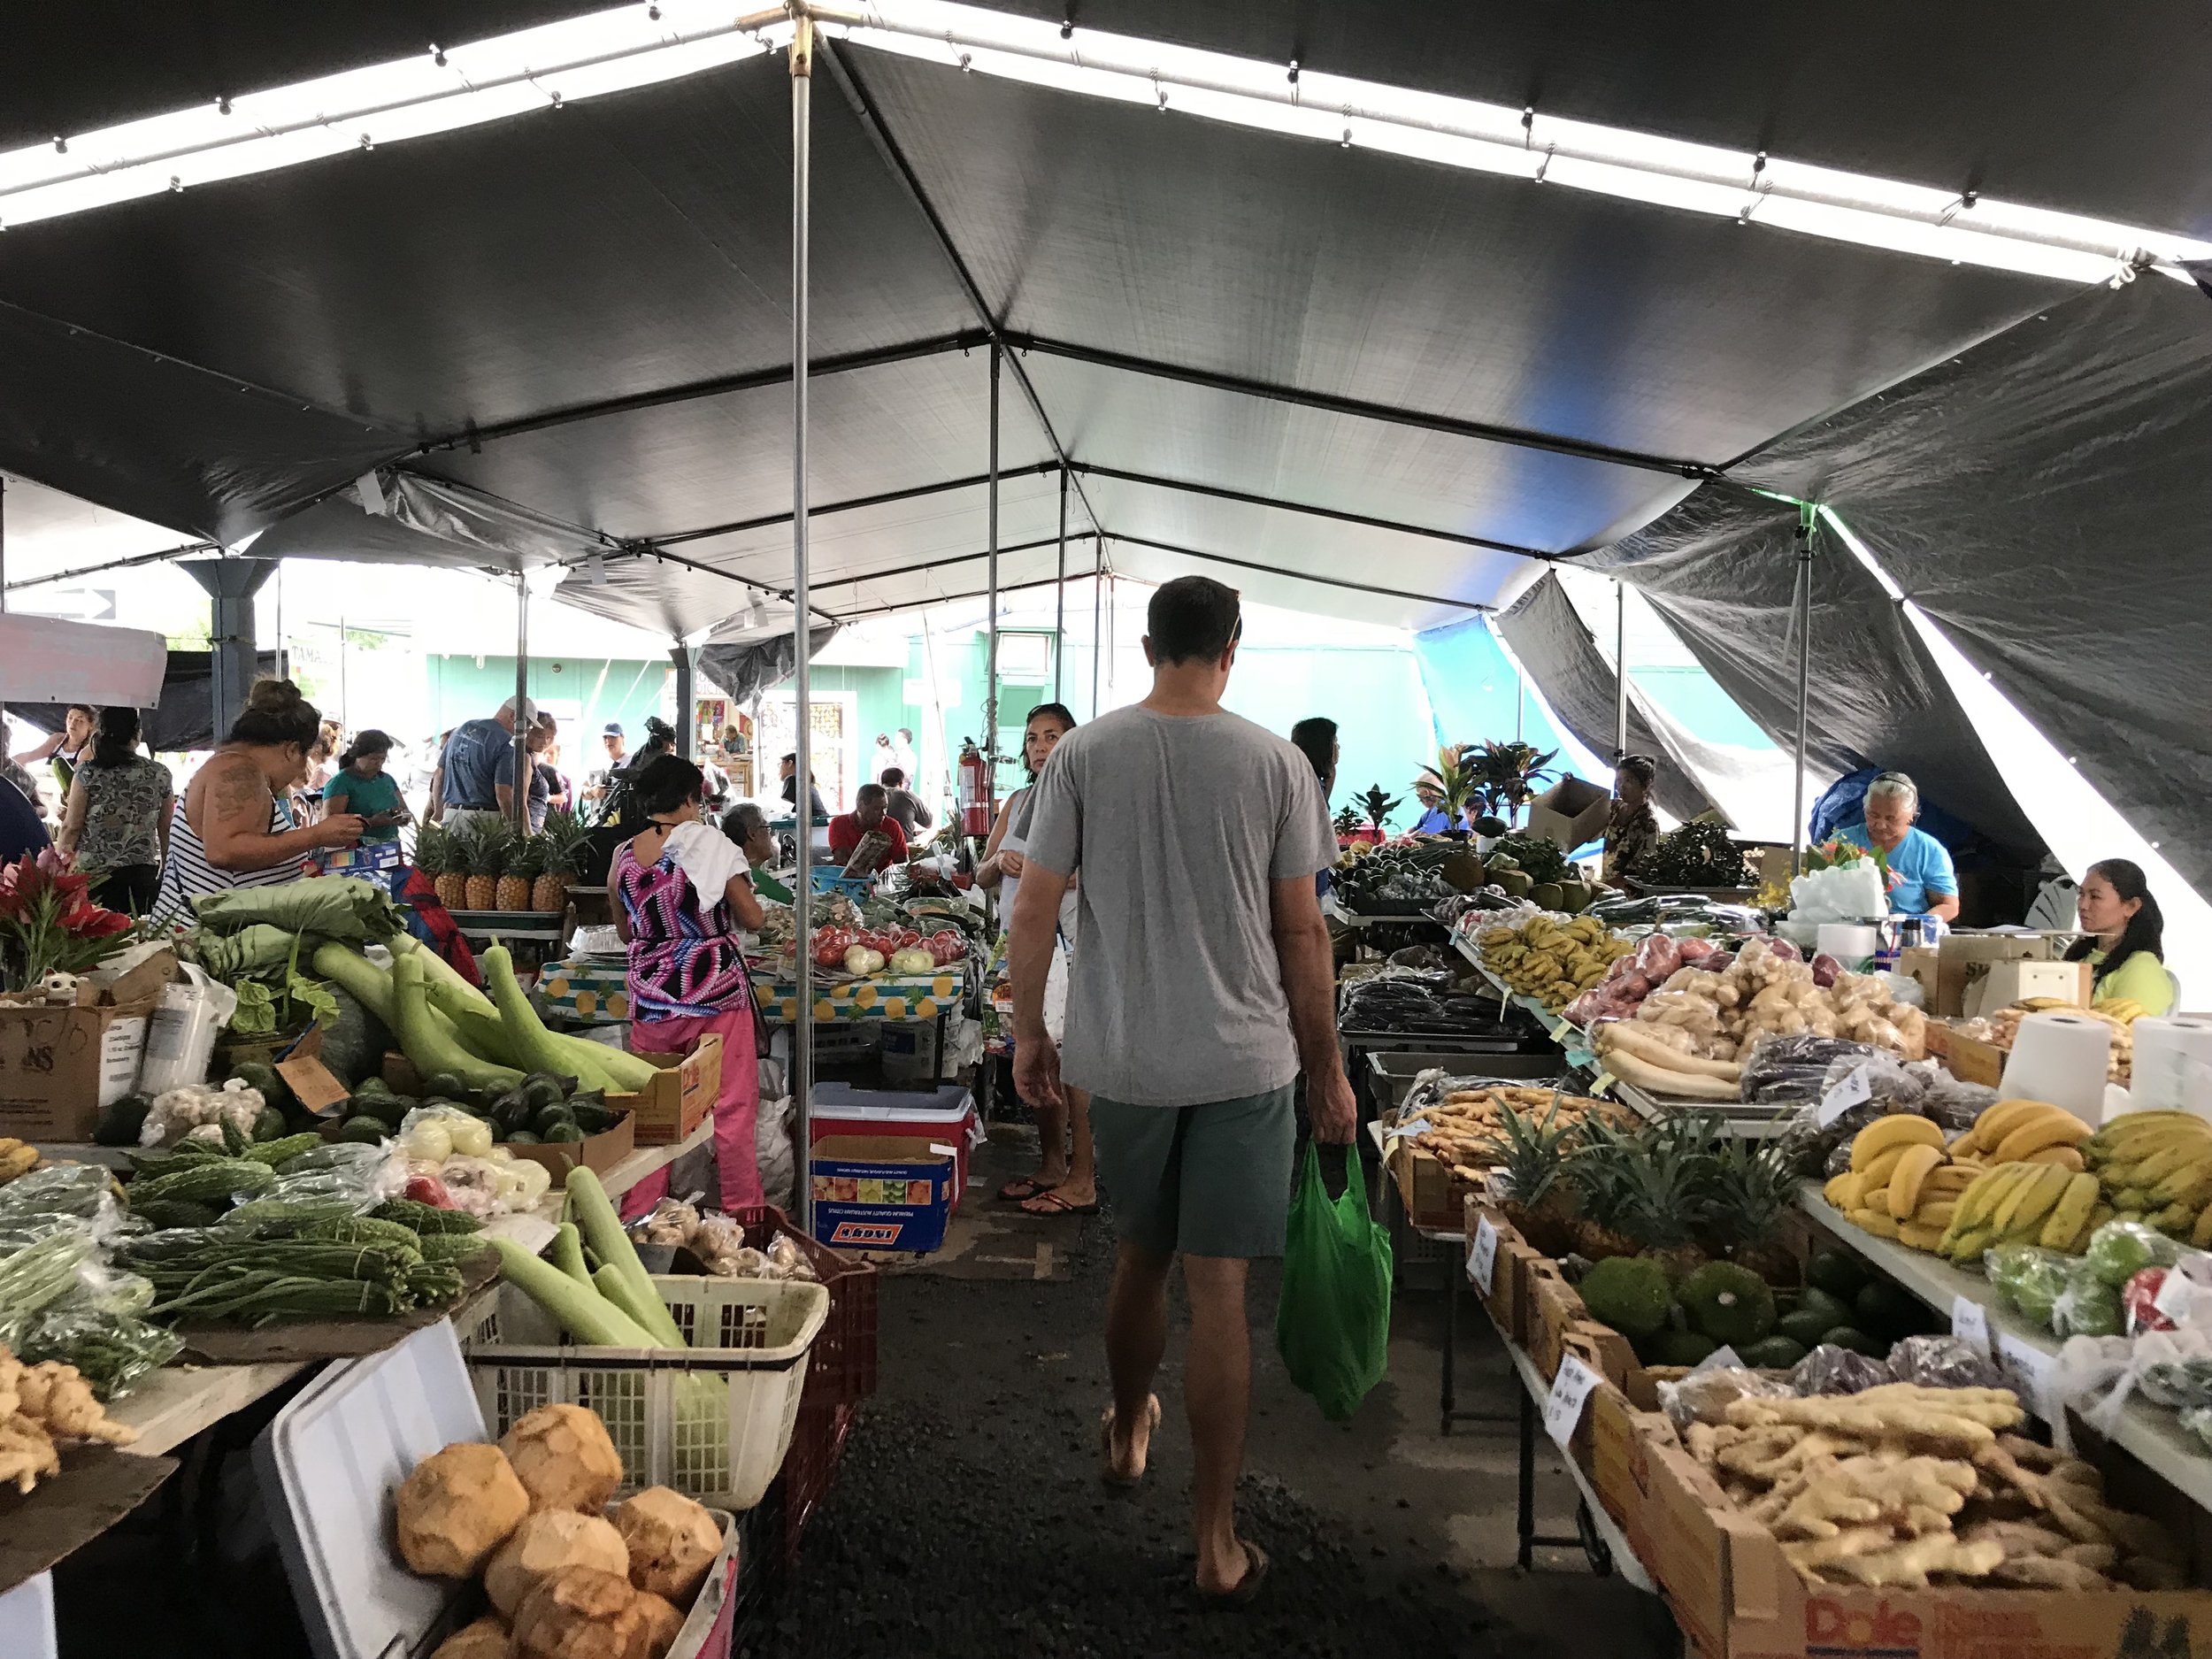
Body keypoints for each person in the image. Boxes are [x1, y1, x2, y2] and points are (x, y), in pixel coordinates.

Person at [1010, 576, 1354, 1601]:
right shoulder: (1277, 764)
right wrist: (1327, 1071)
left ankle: (1124, 1435)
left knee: (1138, 1260)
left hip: (1129, 1060)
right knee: (1222, 1295)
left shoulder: (1081, 754)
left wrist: (1032, 1030)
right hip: (1246, 1063)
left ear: (1149, 644)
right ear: (1230, 648)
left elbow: (1034, 908)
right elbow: (1302, 932)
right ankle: (1215, 1544)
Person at [610, 755, 766, 1210]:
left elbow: (626, 931)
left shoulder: (623, 856)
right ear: (689, 799)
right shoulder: (709, 845)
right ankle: (743, 1213)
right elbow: (752, 917)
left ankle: (639, 1217)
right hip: (714, 993)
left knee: (655, 1115)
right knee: (732, 1110)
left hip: (652, 999)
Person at [976, 703, 1092, 1215]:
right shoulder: (1017, 802)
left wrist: (1052, 876)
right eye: (1032, 739)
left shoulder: (1089, 802)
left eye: (1051, 737)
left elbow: (1105, 876)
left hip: (1073, 947)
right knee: (1036, 1055)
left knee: (1075, 1062)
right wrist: (1000, 861)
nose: (1041, 748)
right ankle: (1050, 1164)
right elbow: (980, 875)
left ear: (1071, 742)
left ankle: (1083, 1175)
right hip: (1023, 952)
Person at [155, 680, 364, 920]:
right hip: (204, 942)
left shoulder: (231, 765)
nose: (298, 772)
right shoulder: (240, 771)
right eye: (304, 757)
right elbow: (224, 852)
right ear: (292, 750)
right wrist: (317, 835)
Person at [57, 706, 172, 912]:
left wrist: (56, 870)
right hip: (141, 878)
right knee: (137, 940)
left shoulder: (88, 772)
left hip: (93, 878)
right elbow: (166, 830)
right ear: (137, 734)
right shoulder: (160, 773)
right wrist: (167, 872)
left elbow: (71, 827)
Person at [1839, 772, 1960, 921]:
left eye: (1891, 819)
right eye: (1873, 815)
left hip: (1906, 933)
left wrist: (1915, 925)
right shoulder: (1842, 842)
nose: (1881, 825)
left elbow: (1948, 906)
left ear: (1911, 815)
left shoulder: (1929, 850)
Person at [2066, 859, 2173, 1017]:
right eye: (2081, 894)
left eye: (2095, 897)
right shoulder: (2081, 954)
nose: (2083, 905)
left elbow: (2128, 1035)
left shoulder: (2141, 968)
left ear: (2131, 907)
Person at [431, 695, 536, 836]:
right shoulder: (507, 743)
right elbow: (503, 794)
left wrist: (438, 812)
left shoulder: (461, 729)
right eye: (527, 725)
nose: (526, 731)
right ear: (513, 716)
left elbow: (439, 775)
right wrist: (520, 832)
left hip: (451, 816)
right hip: (483, 822)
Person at [322, 729, 411, 843]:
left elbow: (404, 809)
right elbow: (330, 828)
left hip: (390, 847)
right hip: (356, 849)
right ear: (357, 755)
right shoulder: (340, 783)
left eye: (382, 759)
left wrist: (401, 816)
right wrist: (371, 822)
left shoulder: (387, 780)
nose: (378, 763)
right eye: (373, 759)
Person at [1288, 717, 1340, 896]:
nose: (1338, 748)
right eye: (1335, 741)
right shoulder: (1308, 785)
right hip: (1305, 879)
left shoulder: (1308, 780)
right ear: (1322, 746)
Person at [14, 705, 94, 806]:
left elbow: (76, 778)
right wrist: (7, 763)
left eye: (80, 720)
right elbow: (29, 756)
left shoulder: (89, 749)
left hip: (71, 799)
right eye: (70, 718)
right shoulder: (57, 739)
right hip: (48, 795)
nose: (73, 723)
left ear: (91, 726)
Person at [722, 800, 793, 903]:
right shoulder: (750, 878)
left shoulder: (735, 870)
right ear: (752, 834)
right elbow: (794, 903)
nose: (771, 835)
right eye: (766, 828)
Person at [1603, 754, 1662, 880]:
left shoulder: (1648, 823)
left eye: (1628, 781)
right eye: (1619, 780)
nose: (1621, 786)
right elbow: (1588, 827)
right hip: (1605, 886)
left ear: (1646, 784)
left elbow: (1643, 870)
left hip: (1628, 892)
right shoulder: (1614, 808)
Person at [827, 784, 909, 873]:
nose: (883, 814)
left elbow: (902, 864)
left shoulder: (892, 826)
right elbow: (846, 863)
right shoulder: (839, 823)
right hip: (848, 882)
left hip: (882, 882)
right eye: (876, 808)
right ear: (860, 806)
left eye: (885, 808)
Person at [879, 766, 933, 841]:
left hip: (874, 848)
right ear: (901, 782)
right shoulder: (908, 796)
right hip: (902, 848)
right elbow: (928, 823)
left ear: (882, 782)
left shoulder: (872, 795)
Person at [584, 722, 627, 803]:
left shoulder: (634, 761)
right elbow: (583, 789)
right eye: (605, 738)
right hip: (599, 813)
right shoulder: (596, 761)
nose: (608, 741)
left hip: (626, 813)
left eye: (613, 737)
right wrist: (592, 791)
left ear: (622, 737)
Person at [778, 753, 828, 821]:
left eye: (781, 764)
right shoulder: (807, 783)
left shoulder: (792, 780)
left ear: (790, 763)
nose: (780, 768)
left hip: (811, 826)